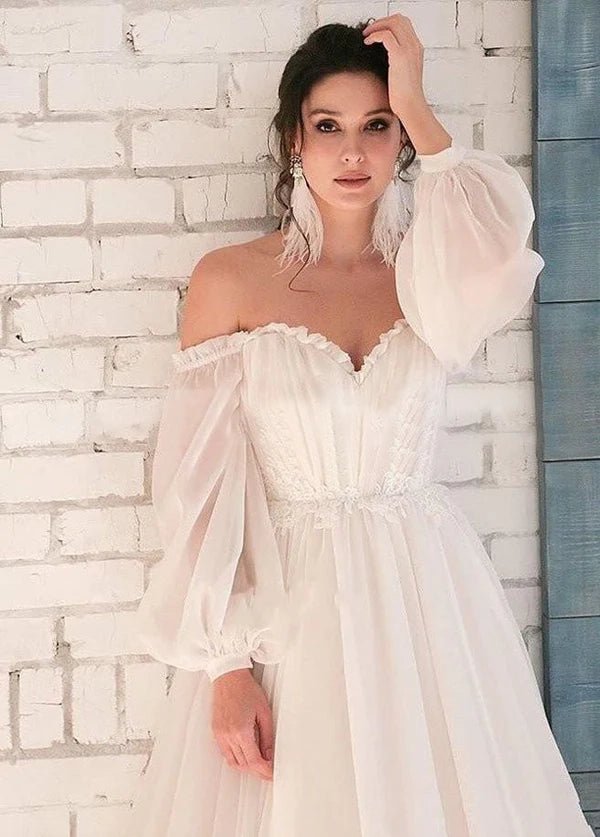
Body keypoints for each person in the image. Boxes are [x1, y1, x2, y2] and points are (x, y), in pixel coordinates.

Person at [124, 15, 594, 837]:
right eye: (328, 126)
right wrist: (226, 665)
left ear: (400, 139)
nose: (352, 152)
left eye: (377, 126)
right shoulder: (230, 280)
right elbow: (198, 489)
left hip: (427, 599)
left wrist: (416, 103)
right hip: (293, 606)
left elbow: (504, 241)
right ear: (294, 140)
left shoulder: (432, 268)